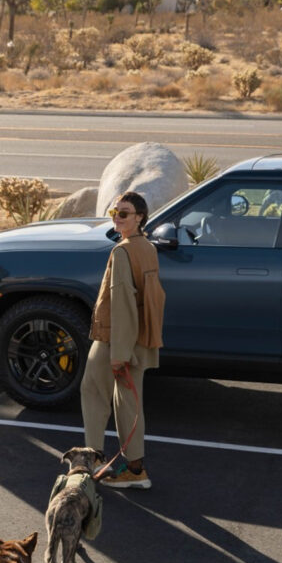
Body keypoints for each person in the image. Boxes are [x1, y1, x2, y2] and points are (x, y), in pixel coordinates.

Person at [81, 191, 165, 489]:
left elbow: (122, 305)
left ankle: (93, 462)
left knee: (92, 393)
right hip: (137, 338)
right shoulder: (148, 248)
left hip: (113, 339)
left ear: (140, 217)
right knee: (129, 403)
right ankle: (135, 469)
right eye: (116, 211)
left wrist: (119, 352)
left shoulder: (122, 251)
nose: (117, 216)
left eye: (125, 213)